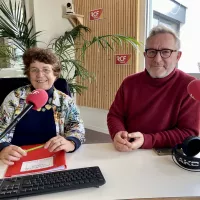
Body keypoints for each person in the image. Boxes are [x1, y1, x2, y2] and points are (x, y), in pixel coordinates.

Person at [107, 25, 200, 152]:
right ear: (145, 55)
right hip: (129, 150)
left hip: (167, 156)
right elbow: (115, 115)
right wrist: (118, 133)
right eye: (152, 52)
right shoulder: (129, 83)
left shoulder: (189, 86)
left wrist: (147, 140)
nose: (157, 59)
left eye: (165, 52)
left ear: (178, 56)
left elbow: (188, 133)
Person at [0, 47, 85, 165]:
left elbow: (76, 127)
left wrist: (71, 142)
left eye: (46, 70)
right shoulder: (14, 97)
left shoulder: (65, 101)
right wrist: (3, 147)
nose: (40, 75)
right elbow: (1, 128)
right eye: (34, 70)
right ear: (29, 74)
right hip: (16, 159)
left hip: (53, 158)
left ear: (55, 74)